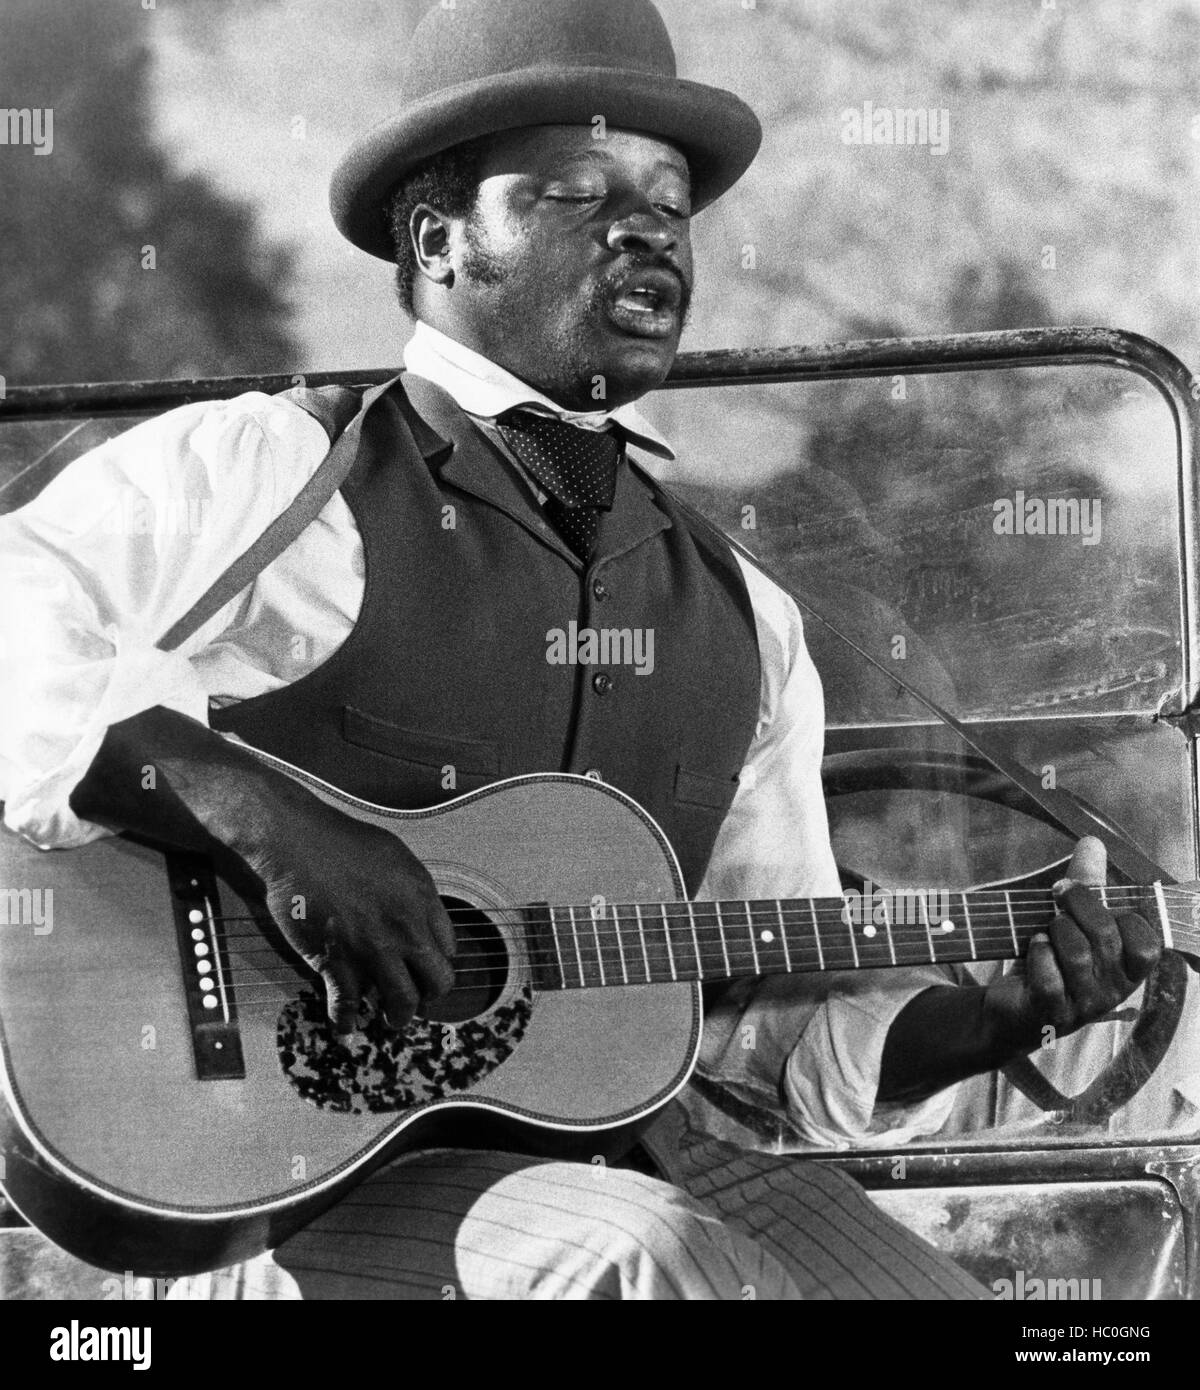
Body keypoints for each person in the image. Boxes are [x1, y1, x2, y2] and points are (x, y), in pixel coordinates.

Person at [0, 0, 1161, 1300]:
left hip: (637, 1164)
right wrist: (263, 816)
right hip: (280, 1186)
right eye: (579, 189)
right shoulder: (273, 472)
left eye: (670, 200)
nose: (649, 226)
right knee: (657, 1262)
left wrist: (998, 1021)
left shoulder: (747, 624)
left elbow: (765, 1047)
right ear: (439, 239)